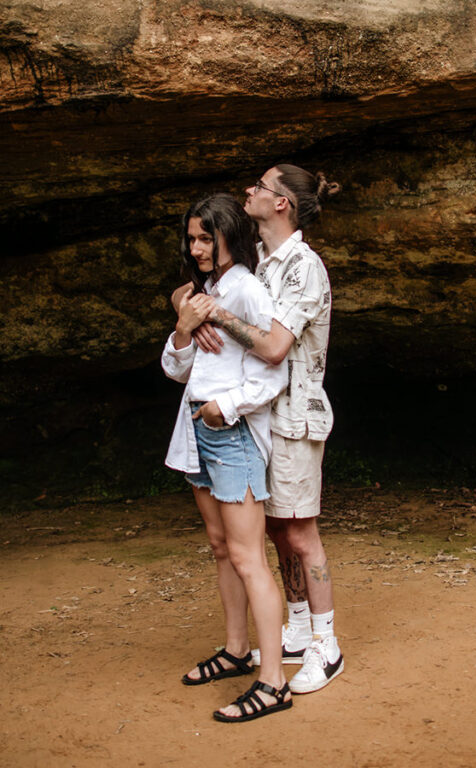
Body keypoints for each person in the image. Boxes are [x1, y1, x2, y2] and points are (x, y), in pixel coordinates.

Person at [175, 164, 343, 694]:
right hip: (261, 419)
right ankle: (294, 624)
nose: (251, 190)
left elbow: (272, 347)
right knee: (272, 527)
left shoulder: (303, 267)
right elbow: (193, 288)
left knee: (299, 531)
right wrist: (189, 308)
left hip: (293, 417)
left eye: (262, 187)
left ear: (282, 205)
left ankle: (325, 644)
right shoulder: (262, 259)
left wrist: (215, 316)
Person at [162, 193, 291, 721]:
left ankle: (274, 681)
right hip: (195, 433)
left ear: (228, 236)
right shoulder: (204, 292)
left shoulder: (248, 290)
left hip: (229, 434)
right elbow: (175, 368)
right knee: (221, 548)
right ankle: (237, 652)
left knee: (247, 558)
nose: (195, 248)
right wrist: (184, 327)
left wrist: (225, 407)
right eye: (190, 238)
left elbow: (273, 369)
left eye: (204, 238)